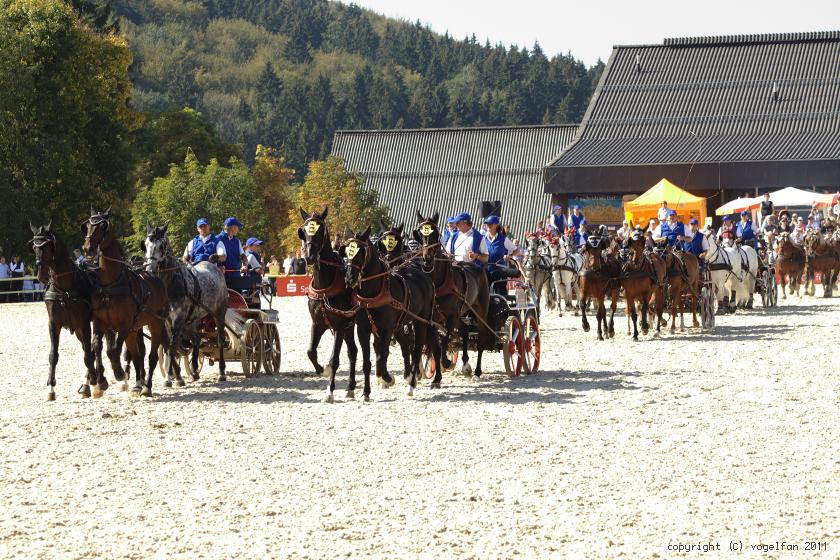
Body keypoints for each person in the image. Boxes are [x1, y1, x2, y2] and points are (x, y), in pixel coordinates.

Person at [483, 215, 521, 295]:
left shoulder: (503, 239)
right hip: (486, 271)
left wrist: (510, 256)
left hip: (500, 272)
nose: (488, 226)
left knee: (500, 294)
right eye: (486, 224)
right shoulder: (483, 238)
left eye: (490, 224)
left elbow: (517, 251)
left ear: (496, 225)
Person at [217, 217, 245, 290]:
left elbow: (243, 255)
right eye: (237, 227)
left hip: (236, 276)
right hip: (221, 277)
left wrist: (245, 265)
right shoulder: (217, 239)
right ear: (232, 227)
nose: (238, 230)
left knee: (237, 296)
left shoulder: (237, 241)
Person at [243, 238, 264, 308]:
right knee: (255, 305)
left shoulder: (246, 254)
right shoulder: (251, 256)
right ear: (250, 246)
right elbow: (261, 271)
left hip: (248, 284)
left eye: (259, 245)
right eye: (257, 245)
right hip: (252, 285)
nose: (259, 247)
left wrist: (262, 258)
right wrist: (262, 261)